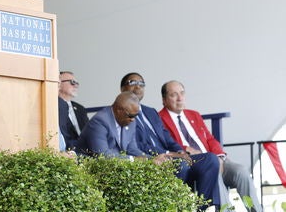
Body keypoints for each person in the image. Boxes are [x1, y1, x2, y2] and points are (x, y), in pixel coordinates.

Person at [120, 72, 221, 210]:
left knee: (210, 159)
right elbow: (136, 145)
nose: (138, 86)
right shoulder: (122, 113)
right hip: (151, 158)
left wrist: (180, 151)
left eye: (141, 83)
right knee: (181, 165)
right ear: (122, 89)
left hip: (171, 155)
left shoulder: (151, 111)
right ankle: (181, 207)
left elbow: (167, 137)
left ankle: (205, 207)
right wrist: (168, 153)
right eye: (133, 83)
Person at [159, 80, 262, 212]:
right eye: (174, 95)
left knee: (241, 171)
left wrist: (219, 156)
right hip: (194, 164)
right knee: (214, 172)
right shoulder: (159, 118)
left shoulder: (193, 114)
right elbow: (166, 143)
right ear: (164, 100)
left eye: (182, 93)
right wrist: (185, 149)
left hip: (215, 158)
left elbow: (210, 139)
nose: (180, 98)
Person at [76, 91, 143, 157]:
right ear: (119, 110)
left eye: (136, 115)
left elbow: (132, 149)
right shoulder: (99, 121)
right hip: (91, 164)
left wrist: (149, 159)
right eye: (131, 115)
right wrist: (132, 160)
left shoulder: (130, 120)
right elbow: (102, 154)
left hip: (118, 163)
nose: (133, 119)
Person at [58, 71, 89, 150]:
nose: (76, 85)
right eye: (72, 82)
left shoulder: (80, 108)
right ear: (59, 83)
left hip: (86, 150)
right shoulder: (53, 106)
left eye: (77, 83)